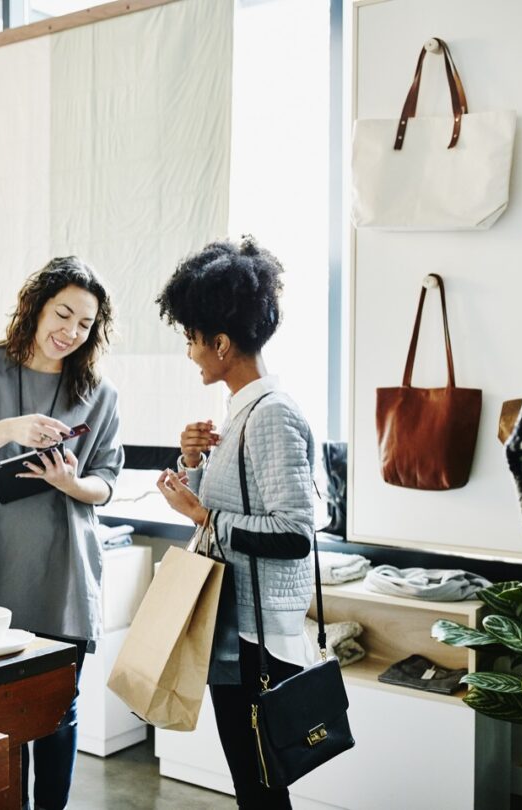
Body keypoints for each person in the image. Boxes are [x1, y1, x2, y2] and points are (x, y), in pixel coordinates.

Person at [0, 256, 124, 810]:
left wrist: (71, 482)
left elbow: (107, 483)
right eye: (62, 313)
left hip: (63, 570)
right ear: (35, 307)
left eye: (85, 324)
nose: (70, 331)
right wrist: (10, 429)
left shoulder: (100, 393)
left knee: (57, 709)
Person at [153, 237, 316, 810]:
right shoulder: (243, 409)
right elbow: (234, 510)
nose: (192, 353)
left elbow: (294, 535)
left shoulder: (270, 415)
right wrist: (194, 466)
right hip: (239, 627)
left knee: (261, 787)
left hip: (258, 641)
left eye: (193, 340)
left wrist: (201, 514)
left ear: (220, 344)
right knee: (254, 783)